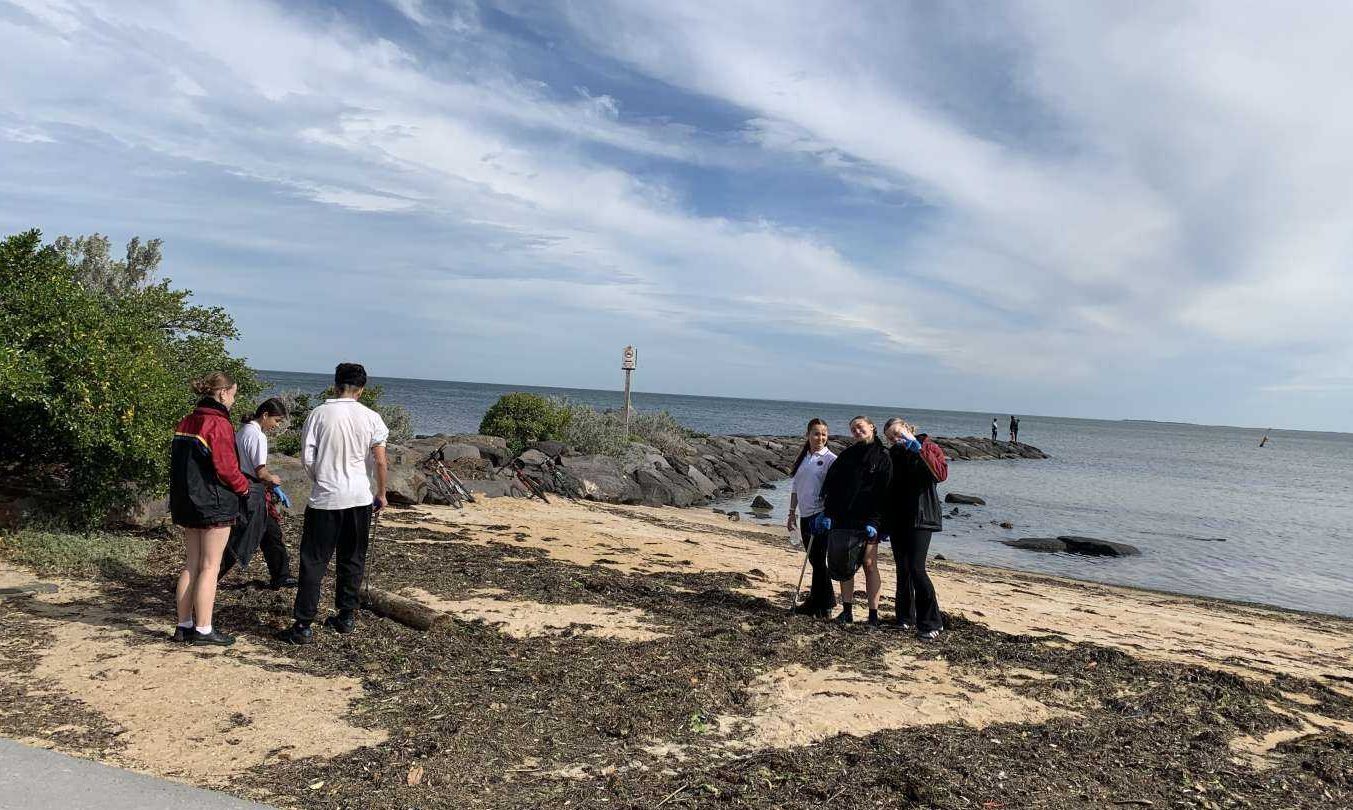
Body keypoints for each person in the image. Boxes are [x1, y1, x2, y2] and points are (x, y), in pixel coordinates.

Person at [278, 363, 389, 645]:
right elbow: (379, 459)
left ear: (336, 384)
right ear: (361, 389)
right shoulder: (371, 417)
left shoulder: (319, 414)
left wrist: (321, 479)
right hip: (359, 497)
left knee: (314, 561)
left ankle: (304, 623)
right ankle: (346, 614)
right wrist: (382, 492)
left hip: (326, 497)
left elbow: (307, 457)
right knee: (352, 558)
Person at [169, 372, 251, 646]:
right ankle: (204, 629)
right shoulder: (217, 423)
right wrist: (244, 488)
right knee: (209, 566)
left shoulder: (187, 420)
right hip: (213, 503)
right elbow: (227, 468)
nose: (234, 400)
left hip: (187, 501)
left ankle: (183, 625)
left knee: (191, 564)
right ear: (223, 393)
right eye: (234, 394)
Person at [818, 416, 891, 626]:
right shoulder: (848, 455)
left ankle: (873, 615)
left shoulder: (883, 456)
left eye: (860, 427)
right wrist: (828, 514)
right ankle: (847, 610)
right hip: (843, 518)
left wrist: (876, 523)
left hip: (869, 520)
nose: (857, 431)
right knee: (843, 563)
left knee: (869, 564)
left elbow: (885, 493)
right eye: (853, 429)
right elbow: (832, 486)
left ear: (871, 427)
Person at [220, 398, 297, 589]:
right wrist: (274, 480)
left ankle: (281, 575)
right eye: (276, 421)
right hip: (252, 490)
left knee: (270, 532)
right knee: (240, 538)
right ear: (265, 415)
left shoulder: (243, 430)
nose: (276, 426)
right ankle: (210, 576)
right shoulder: (257, 436)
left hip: (242, 486)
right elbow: (261, 472)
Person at [882, 417, 948, 639]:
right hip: (898, 519)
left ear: (908, 429)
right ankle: (904, 618)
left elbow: (940, 474)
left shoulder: (929, 447)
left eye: (898, 434)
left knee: (917, 568)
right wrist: (882, 523)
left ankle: (932, 622)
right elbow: (888, 489)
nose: (896, 439)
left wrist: (920, 450)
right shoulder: (894, 454)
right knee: (903, 569)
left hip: (922, 517)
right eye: (891, 438)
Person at [786, 418, 837, 618]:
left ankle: (820, 604)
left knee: (818, 560)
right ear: (808, 435)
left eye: (824, 434)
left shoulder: (830, 458)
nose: (820, 437)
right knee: (815, 561)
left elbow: (834, 490)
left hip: (819, 515)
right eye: (816, 433)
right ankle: (824, 602)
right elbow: (796, 487)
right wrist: (791, 512)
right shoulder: (804, 458)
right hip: (805, 516)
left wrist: (827, 514)